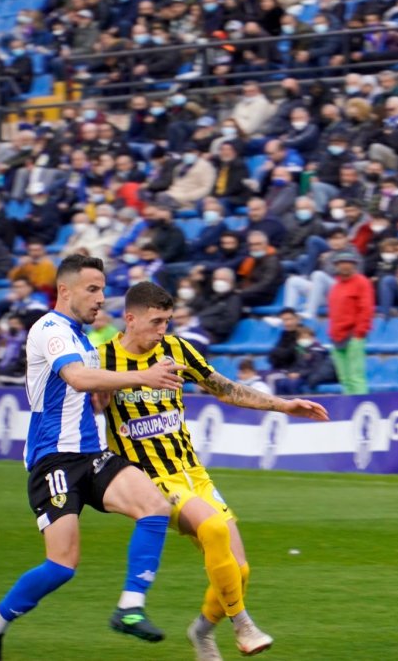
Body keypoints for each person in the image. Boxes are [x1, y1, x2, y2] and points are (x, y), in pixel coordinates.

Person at [0, 256, 193, 661]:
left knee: (155, 506)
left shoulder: (82, 338)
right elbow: (75, 377)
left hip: (91, 454)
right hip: (53, 461)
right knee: (61, 565)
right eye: (92, 289)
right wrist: (141, 377)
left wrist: (104, 397)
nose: (100, 299)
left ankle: (129, 607)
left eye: (103, 290)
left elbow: (84, 389)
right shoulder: (51, 329)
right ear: (65, 290)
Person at [95, 281, 327, 657]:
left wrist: (284, 405)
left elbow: (223, 388)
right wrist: (99, 401)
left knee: (239, 571)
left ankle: (202, 632)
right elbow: (90, 408)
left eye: (167, 322)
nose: (162, 331)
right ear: (130, 318)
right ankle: (243, 624)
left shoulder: (176, 350)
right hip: (151, 480)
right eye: (155, 322)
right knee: (213, 528)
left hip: (193, 474)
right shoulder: (102, 359)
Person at [327, 251, 373, 395]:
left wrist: (359, 332)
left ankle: (360, 404)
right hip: (337, 337)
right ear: (336, 266)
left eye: (349, 263)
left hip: (353, 335)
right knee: (344, 379)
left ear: (354, 265)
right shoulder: (336, 286)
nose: (345, 266)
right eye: (341, 263)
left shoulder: (362, 282)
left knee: (356, 377)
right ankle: (349, 408)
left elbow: (366, 308)